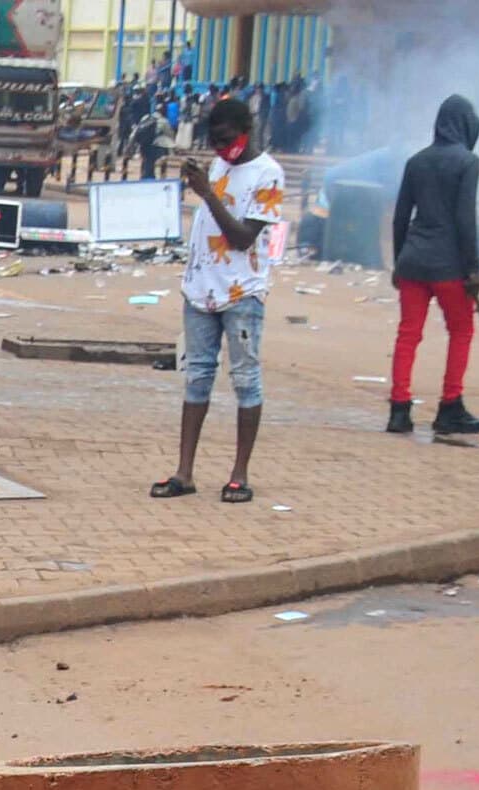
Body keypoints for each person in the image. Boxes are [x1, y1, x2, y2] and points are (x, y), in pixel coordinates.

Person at [151, 98, 283, 505]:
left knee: (245, 380)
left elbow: (243, 238)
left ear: (247, 131)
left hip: (242, 292)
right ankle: (184, 472)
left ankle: (239, 474)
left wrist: (207, 193)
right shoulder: (220, 166)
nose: (222, 149)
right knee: (197, 379)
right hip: (201, 291)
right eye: (215, 142)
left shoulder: (268, 174)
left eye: (228, 140)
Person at [388, 95, 479, 437]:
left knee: (408, 334)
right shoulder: (468, 162)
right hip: (449, 267)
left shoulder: (416, 161)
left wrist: (398, 263)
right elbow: (465, 218)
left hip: (413, 262)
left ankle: (399, 410)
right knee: (461, 332)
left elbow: (401, 216)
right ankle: (450, 407)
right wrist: (473, 268)